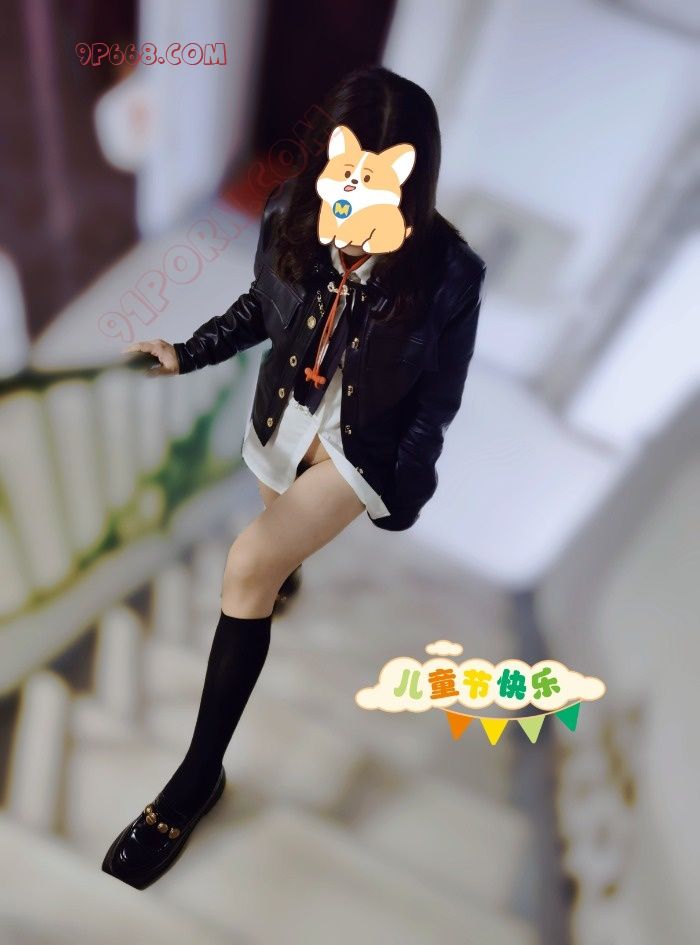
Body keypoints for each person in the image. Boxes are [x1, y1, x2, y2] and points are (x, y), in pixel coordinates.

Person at [101, 64, 486, 890]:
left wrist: (407, 485)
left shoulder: (451, 274)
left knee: (249, 562)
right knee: (275, 544)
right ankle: (287, 574)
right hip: (284, 416)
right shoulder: (290, 213)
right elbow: (261, 307)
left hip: (359, 448)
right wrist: (188, 351)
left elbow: (436, 398)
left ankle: (196, 778)